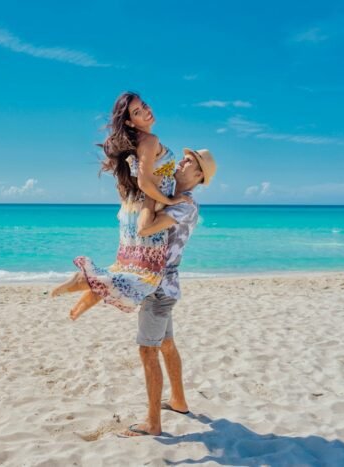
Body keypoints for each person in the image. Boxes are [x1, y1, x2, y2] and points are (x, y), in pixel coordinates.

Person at [51, 92, 189, 319]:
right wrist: (170, 200)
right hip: (146, 209)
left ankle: (78, 304)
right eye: (137, 112)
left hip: (132, 210)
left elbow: (132, 182)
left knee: (125, 270)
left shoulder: (137, 142)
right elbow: (145, 181)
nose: (146, 111)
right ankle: (80, 281)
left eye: (143, 106)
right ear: (128, 122)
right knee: (146, 275)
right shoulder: (149, 141)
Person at [119, 148, 216, 438]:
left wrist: (151, 193)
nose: (182, 161)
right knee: (167, 345)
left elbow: (145, 228)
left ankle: (153, 423)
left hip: (158, 289)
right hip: (165, 286)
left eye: (190, 161)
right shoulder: (176, 198)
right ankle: (178, 400)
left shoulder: (185, 206)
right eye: (185, 157)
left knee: (147, 349)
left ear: (198, 176)